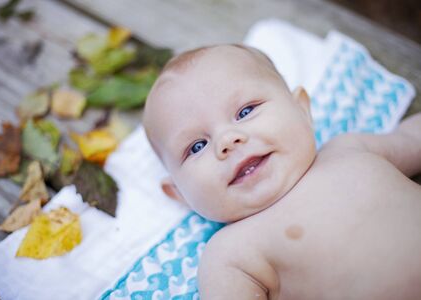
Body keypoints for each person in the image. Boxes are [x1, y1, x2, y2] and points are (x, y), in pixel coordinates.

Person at [143, 44, 421, 299]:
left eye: (245, 111)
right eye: (197, 146)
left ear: (302, 109)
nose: (228, 140)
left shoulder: (350, 148)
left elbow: (412, 140)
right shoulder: (230, 254)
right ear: (179, 192)